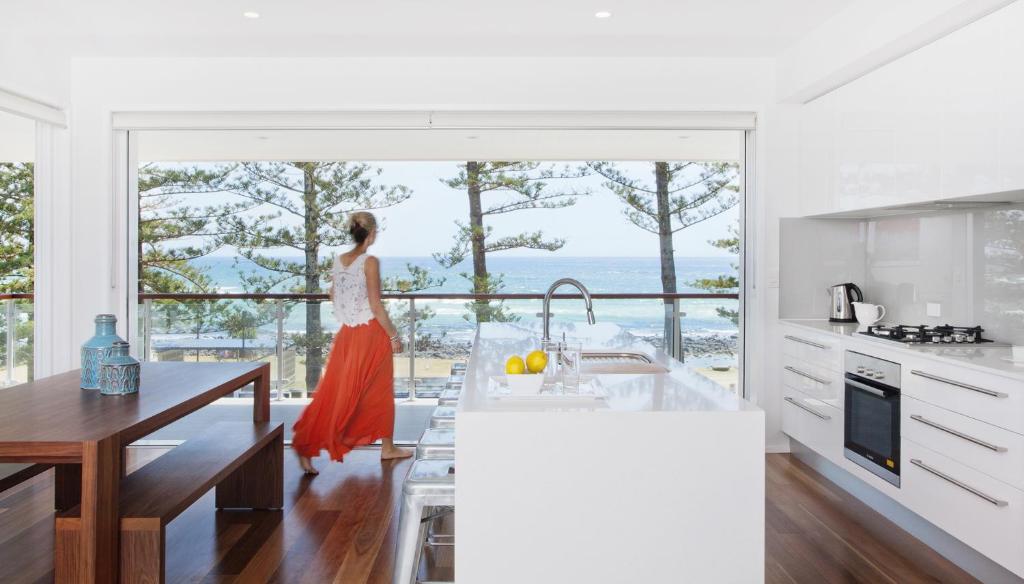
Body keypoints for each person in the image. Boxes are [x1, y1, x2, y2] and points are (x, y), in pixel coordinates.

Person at [291, 211, 412, 474]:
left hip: (347, 334)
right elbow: (376, 305)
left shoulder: (340, 261)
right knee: (378, 390)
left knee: (333, 391)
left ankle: (305, 443)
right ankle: (387, 448)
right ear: (372, 234)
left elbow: (333, 293)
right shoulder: (369, 262)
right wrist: (393, 336)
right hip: (370, 335)